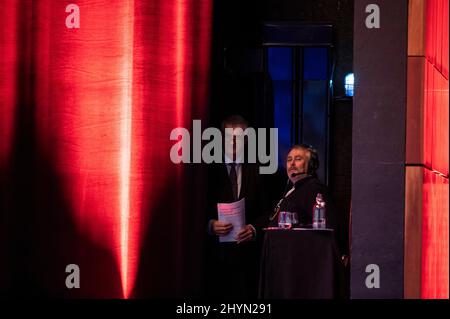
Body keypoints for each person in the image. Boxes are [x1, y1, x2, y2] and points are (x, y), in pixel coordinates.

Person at [204, 114, 268, 299]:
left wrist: (255, 229)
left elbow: (269, 210)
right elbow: (192, 211)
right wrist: (209, 225)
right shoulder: (207, 170)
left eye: (238, 137)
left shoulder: (259, 169)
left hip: (249, 258)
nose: (233, 142)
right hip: (215, 259)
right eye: (228, 137)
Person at [268, 144, 337, 230]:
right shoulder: (294, 189)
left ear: (311, 165)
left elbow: (326, 227)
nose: (292, 163)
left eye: (298, 159)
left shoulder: (313, 188)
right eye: (289, 160)